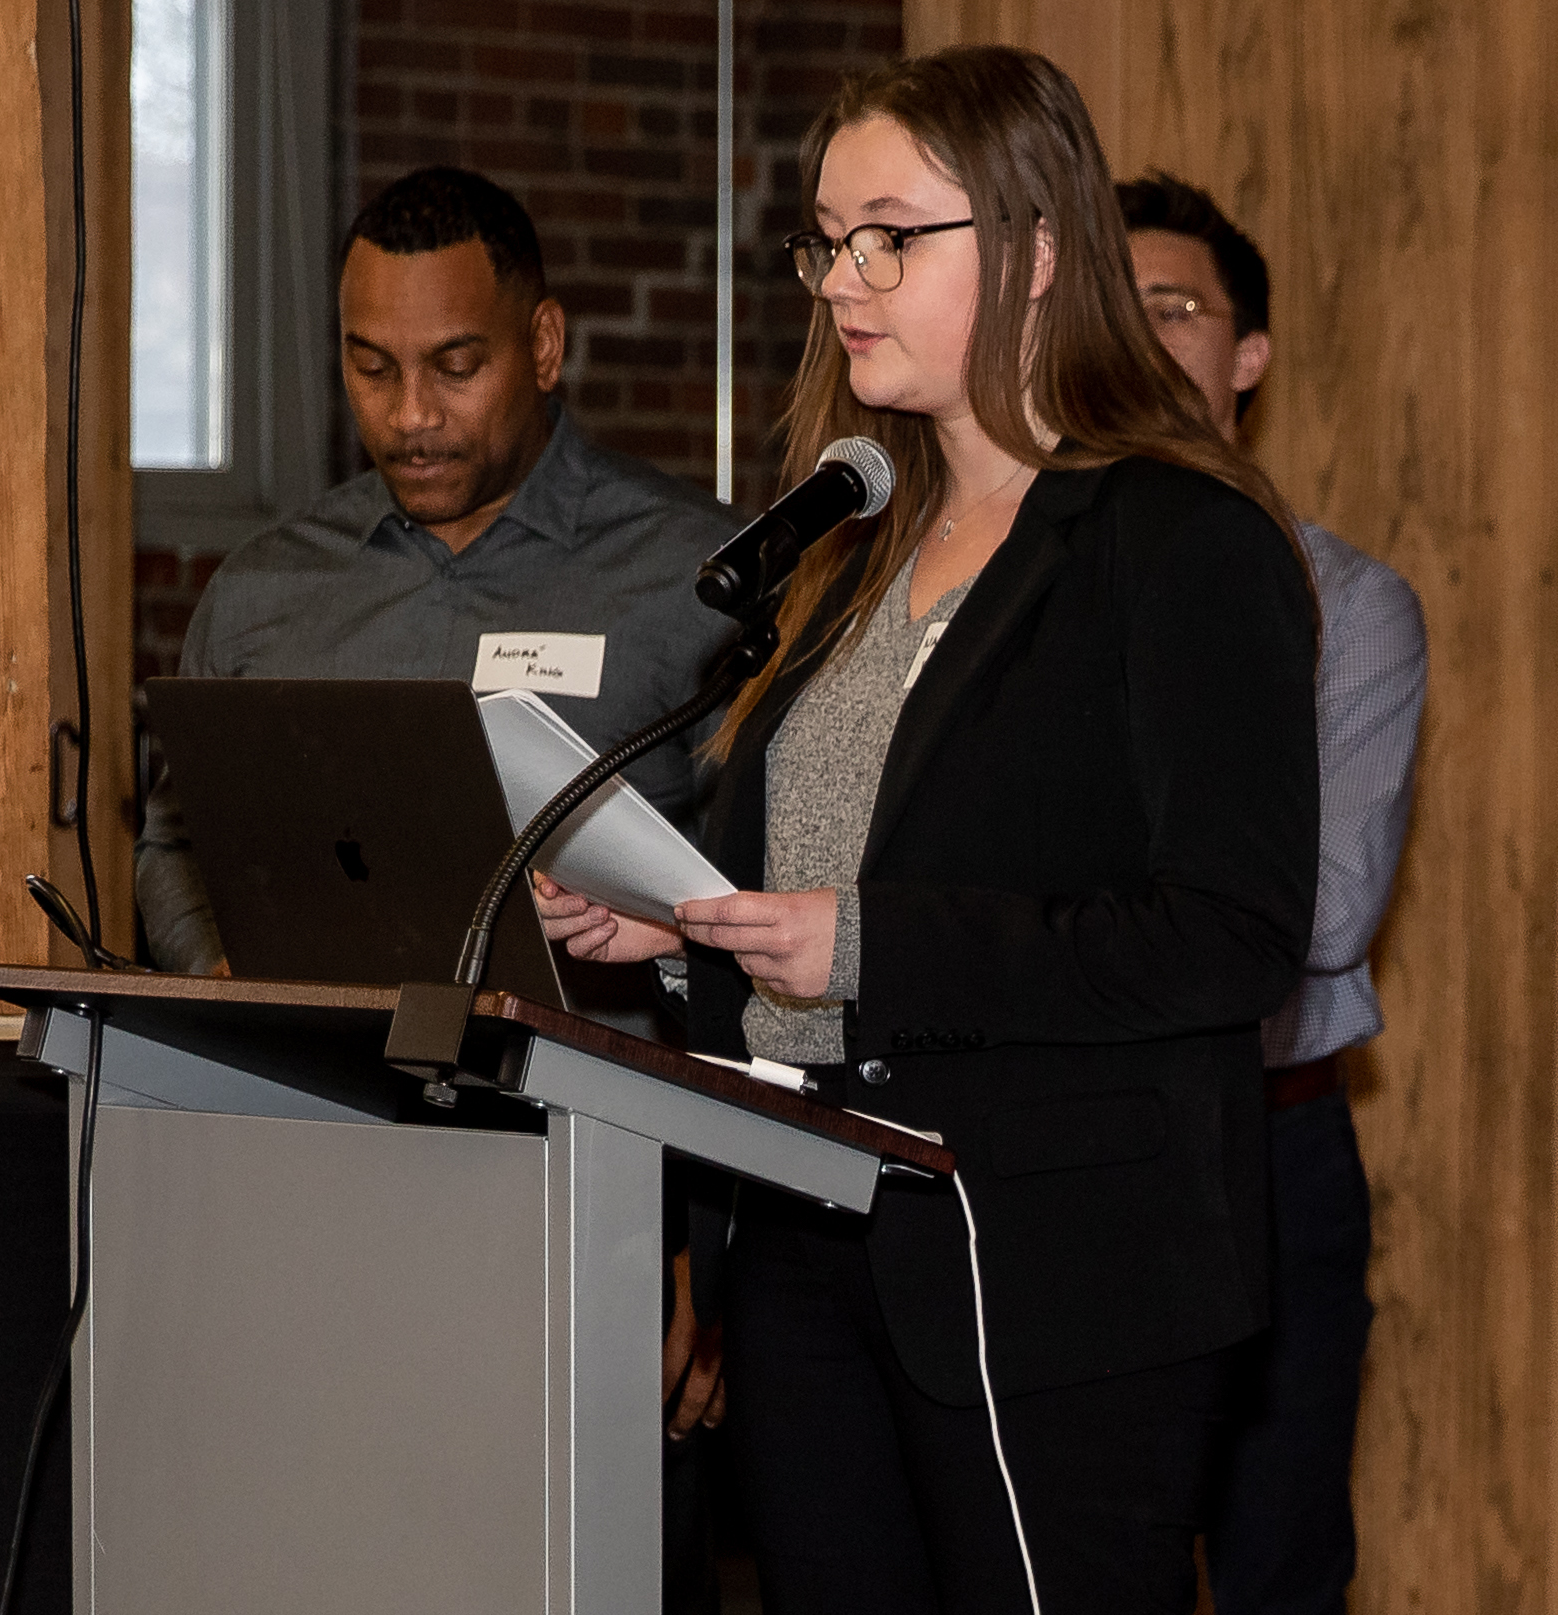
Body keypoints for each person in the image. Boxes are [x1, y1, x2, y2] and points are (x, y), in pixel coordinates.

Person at [531, 44, 1318, 1615]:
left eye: (892, 234)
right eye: (827, 240)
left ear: (1033, 252)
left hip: (1054, 1262)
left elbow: (1230, 931)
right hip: (817, 1239)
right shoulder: (850, 540)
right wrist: (680, 914)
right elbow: (835, 872)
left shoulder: (1176, 538)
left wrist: (870, 944)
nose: (843, 279)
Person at [133, 164, 740, 975]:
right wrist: (221, 978)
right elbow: (178, 843)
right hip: (309, 1091)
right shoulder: (261, 591)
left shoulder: (703, 580)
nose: (411, 414)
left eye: (456, 368)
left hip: (590, 1093)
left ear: (544, 346)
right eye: (373, 368)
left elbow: (771, 889)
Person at [1117, 170, 1426, 1615]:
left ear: (1250, 354)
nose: (1139, 332)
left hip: (1266, 1137)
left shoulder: (1343, 607)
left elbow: (1309, 919)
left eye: (1174, 305)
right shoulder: (1008, 590)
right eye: (1111, 305)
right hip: (1058, 1150)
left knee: (1279, 1559)